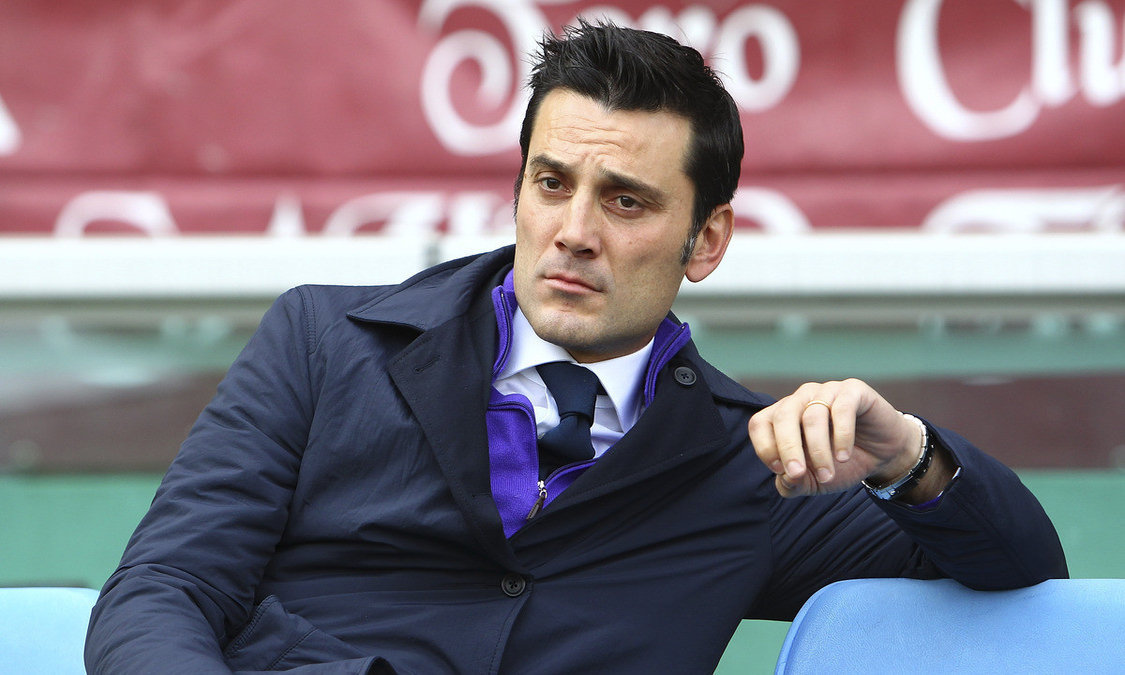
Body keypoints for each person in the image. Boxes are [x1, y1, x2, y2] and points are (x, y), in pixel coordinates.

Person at [86, 20, 1066, 674]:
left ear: (707, 241)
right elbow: (163, 591)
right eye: (552, 184)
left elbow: (1022, 570)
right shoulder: (323, 344)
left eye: (626, 201)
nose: (575, 232)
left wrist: (905, 453)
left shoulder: (750, 463)